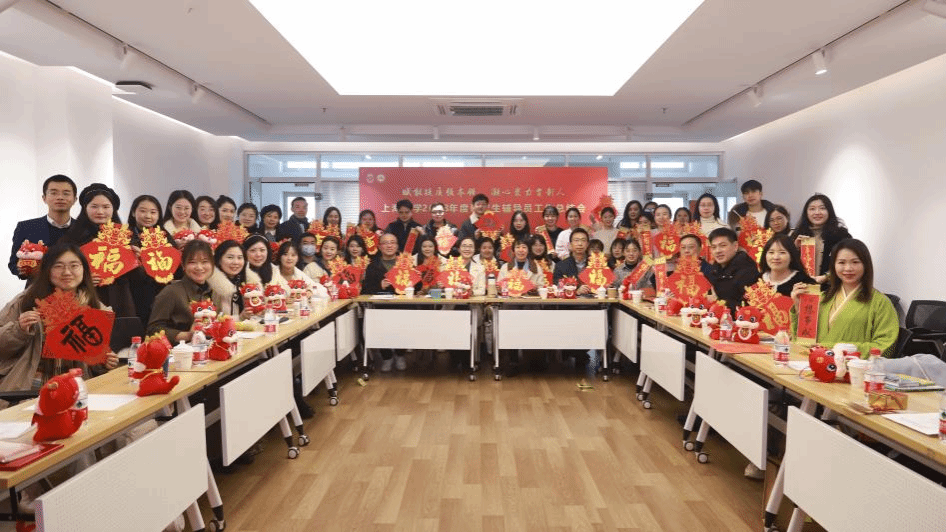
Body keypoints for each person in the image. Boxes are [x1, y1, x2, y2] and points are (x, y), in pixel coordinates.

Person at [0, 243, 119, 392]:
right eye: (58, 266)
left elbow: (94, 365)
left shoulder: (95, 308)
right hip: (28, 387)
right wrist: (19, 330)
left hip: (77, 388)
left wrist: (103, 362)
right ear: (47, 270)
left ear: (84, 270)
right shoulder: (26, 301)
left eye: (74, 266)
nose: (67, 272)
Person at [790, 238, 898, 356]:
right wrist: (800, 308)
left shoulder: (880, 302)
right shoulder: (823, 298)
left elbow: (886, 345)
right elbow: (803, 342)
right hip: (815, 363)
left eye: (855, 262)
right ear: (834, 266)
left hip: (851, 366)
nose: (848, 268)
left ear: (865, 265)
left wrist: (842, 350)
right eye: (841, 263)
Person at [60, 184, 137, 319]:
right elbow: (58, 270)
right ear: (85, 208)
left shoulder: (126, 237)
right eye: (94, 206)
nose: (100, 211)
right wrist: (83, 278)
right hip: (86, 300)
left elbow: (140, 279)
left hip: (123, 300)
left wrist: (138, 260)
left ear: (113, 209)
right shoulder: (71, 238)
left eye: (106, 207)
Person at [361, 234, 420, 372]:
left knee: (402, 331)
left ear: (397, 246)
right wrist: (379, 286)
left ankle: (400, 355)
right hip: (381, 307)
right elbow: (365, 290)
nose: (389, 245)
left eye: (392, 242)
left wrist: (416, 280)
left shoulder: (407, 262)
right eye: (385, 243)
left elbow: (418, 287)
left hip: (403, 307)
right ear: (379, 247)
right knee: (382, 331)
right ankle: (386, 357)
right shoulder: (372, 266)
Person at [9, 174, 77, 279]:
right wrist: (24, 269)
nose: (60, 197)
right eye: (53, 193)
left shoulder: (85, 229)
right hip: (38, 287)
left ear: (75, 199)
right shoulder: (26, 227)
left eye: (66, 193)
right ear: (44, 198)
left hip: (74, 287)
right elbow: (13, 264)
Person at [147, 240, 215, 342]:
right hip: (180, 349)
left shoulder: (212, 291)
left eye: (204, 262)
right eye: (192, 262)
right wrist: (188, 335)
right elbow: (152, 330)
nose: (199, 267)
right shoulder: (171, 292)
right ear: (183, 265)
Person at [126, 195, 174, 327]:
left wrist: (146, 259)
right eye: (142, 211)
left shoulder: (165, 236)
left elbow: (174, 268)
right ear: (133, 212)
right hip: (134, 294)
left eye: (153, 212)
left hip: (161, 293)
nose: (148, 216)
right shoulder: (124, 235)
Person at [789, 193, 851, 283]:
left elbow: (849, 262)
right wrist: (794, 248)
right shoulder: (797, 235)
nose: (817, 212)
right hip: (802, 287)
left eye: (822, 208)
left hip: (832, 287)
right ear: (806, 213)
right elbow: (787, 266)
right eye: (812, 209)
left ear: (829, 211)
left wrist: (826, 277)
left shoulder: (841, 235)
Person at [706, 228, 761, 312]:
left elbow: (748, 308)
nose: (717, 251)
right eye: (714, 247)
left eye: (723, 245)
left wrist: (718, 302)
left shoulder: (747, 271)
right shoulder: (714, 269)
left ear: (735, 246)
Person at [208, 240, 260, 318]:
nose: (236, 262)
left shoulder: (247, 282)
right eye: (230, 257)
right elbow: (212, 319)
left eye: (240, 258)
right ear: (219, 260)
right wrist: (240, 317)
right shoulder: (213, 285)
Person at [552, 228, 592, 295]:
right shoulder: (561, 266)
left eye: (583, 240)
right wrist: (576, 292)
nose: (580, 244)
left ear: (588, 244)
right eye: (576, 240)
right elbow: (557, 289)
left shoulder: (596, 264)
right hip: (570, 301)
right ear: (570, 245)